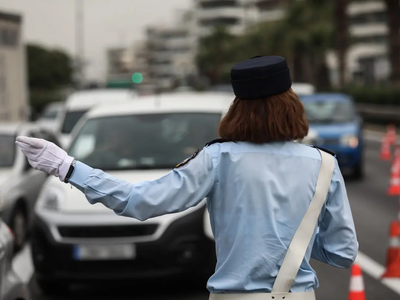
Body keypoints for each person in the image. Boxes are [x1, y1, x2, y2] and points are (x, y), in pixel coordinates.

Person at [15, 56, 358, 299]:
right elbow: (343, 253)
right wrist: (289, 241)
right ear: (292, 105)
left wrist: (68, 167)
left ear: (237, 109)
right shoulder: (323, 164)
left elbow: (139, 202)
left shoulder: (217, 159)